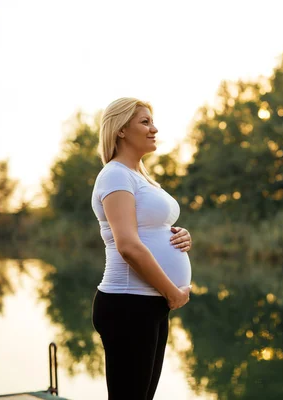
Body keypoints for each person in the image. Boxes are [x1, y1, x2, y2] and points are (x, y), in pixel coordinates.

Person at [91, 97, 193, 399]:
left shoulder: (139, 177)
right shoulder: (115, 174)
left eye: (152, 122)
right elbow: (128, 246)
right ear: (121, 130)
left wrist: (180, 236)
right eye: (145, 122)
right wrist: (172, 293)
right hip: (128, 304)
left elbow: (151, 229)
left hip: (149, 304)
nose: (154, 129)